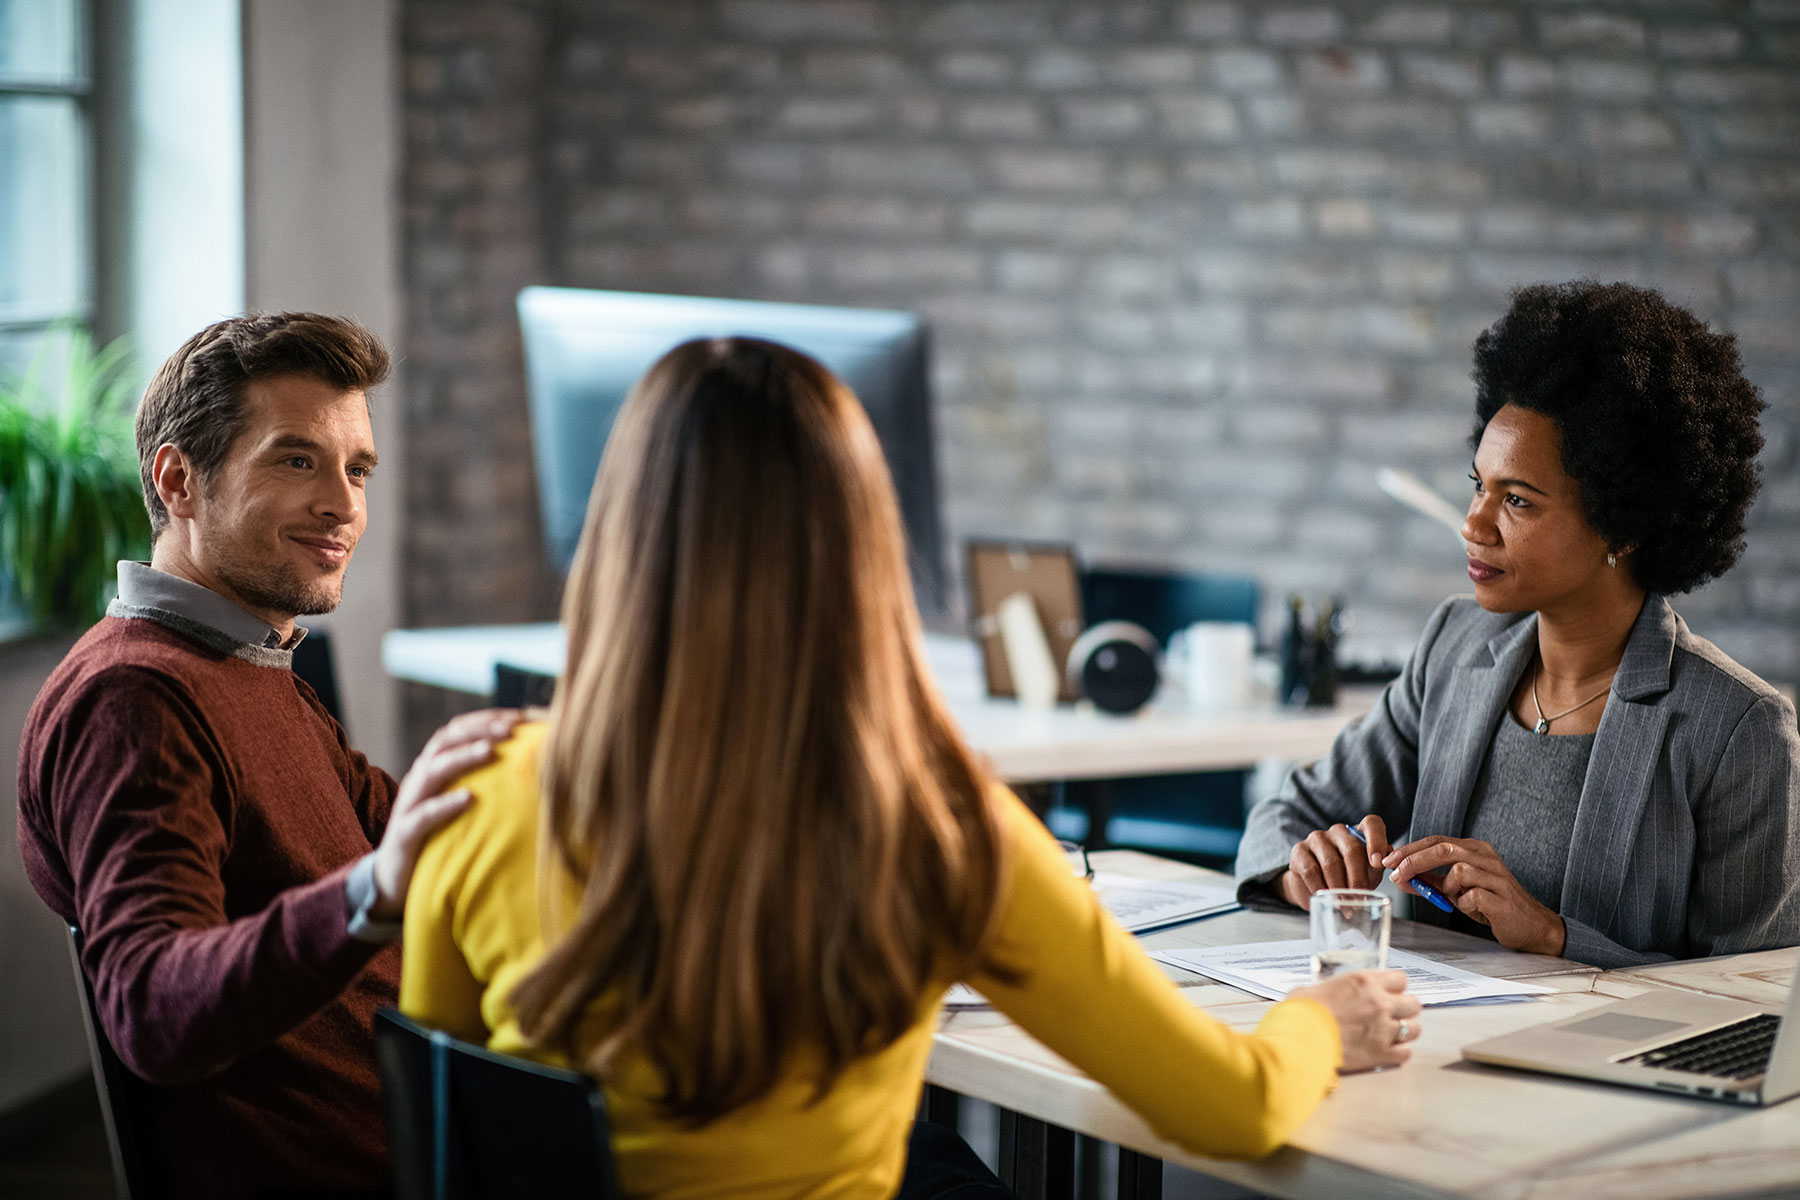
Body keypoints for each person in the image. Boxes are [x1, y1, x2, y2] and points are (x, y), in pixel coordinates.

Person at [400, 336, 1420, 1199]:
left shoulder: (475, 793)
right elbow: (1231, 1107)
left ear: (619, 540)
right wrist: (1315, 1023)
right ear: (860, 548)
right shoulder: (936, 831)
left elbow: (431, 1122)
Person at [16, 313, 516, 1198]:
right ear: (179, 479)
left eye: (356, 468)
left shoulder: (249, 659)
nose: (344, 504)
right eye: (297, 460)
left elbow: (391, 826)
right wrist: (372, 893)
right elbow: (154, 1009)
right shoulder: (135, 698)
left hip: (438, 1130)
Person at [1236, 281, 1800, 969]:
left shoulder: (1739, 730)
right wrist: (1308, 873)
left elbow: (1755, 996)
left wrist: (1556, 936)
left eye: (1519, 501)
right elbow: (1283, 815)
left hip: (1592, 1072)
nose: (1474, 524)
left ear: (1623, 525)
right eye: (1479, 485)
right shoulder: (1455, 646)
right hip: (1427, 1046)